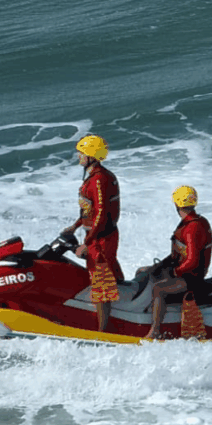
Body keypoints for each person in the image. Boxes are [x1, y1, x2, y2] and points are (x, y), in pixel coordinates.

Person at [62, 135, 124, 332]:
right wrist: (75, 226)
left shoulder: (99, 180)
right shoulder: (95, 176)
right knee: (110, 273)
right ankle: (122, 308)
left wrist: (87, 243)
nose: (78, 156)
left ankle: (103, 329)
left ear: (91, 155)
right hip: (98, 235)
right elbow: (89, 211)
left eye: (81, 153)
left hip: (101, 237)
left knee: (101, 284)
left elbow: (101, 214)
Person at [142, 185, 212, 339]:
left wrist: (174, 272)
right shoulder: (194, 221)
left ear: (176, 204)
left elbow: (192, 261)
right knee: (143, 272)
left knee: (159, 289)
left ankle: (154, 331)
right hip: (185, 272)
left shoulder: (192, 227)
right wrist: (158, 266)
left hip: (191, 278)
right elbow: (178, 254)